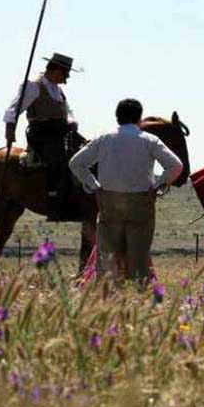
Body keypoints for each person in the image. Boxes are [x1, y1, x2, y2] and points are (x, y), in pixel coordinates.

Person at [69, 99, 183, 284]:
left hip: (109, 200)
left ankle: (107, 295)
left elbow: (76, 163)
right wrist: (157, 186)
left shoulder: (104, 138)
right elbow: (176, 166)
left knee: (107, 257)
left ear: (117, 117)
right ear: (139, 117)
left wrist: (94, 185)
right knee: (139, 254)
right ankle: (138, 294)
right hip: (141, 202)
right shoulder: (149, 141)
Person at [3, 52, 80, 221]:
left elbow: (69, 111)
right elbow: (14, 109)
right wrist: (10, 128)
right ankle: (54, 203)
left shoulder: (58, 90)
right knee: (58, 160)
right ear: (57, 71)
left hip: (62, 132)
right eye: (66, 73)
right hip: (42, 134)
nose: (67, 77)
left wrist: (72, 122)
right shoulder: (33, 86)